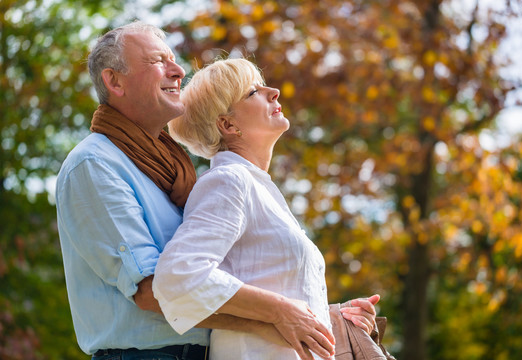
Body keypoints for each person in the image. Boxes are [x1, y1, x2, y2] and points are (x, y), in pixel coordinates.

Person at [56, 21, 377, 360]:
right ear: (114, 81)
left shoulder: (175, 172)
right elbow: (155, 290)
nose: (178, 70)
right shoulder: (95, 164)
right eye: (158, 61)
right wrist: (281, 319)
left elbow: (226, 281)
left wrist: (320, 318)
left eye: (173, 60)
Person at [152, 58, 380, 360]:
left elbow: (265, 289)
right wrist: (281, 309)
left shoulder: (257, 188)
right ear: (228, 125)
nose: (274, 91)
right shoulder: (228, 181)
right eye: (253, 92)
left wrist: (331, 316)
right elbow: (178, 274)